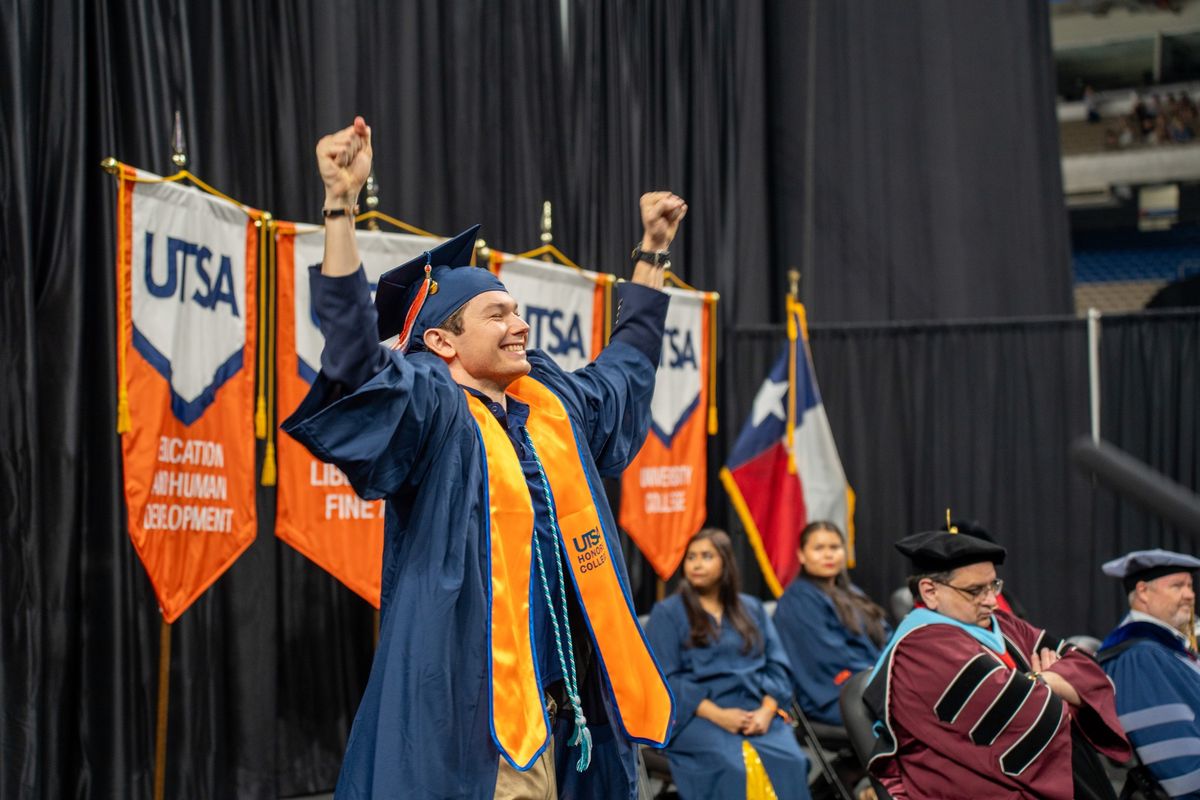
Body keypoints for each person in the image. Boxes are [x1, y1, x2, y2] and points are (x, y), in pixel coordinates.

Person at [283, 116, 687, 799]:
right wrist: (340, 206)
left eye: (517, 310)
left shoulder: (550, 403)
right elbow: (353, 356)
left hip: (572, 712)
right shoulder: (430, 409)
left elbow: (625, 370)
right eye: (497, 315)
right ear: (442, 342)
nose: (520, 324)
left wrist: (650, 256)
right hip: (481, 720)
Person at [861, 530, 1130, 799]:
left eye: (993, 586)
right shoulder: (921, 647)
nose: (991, 600)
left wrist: (1038, 682)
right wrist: (1055, 687)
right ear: (930, 591)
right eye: (975, 591)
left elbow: (1088, 668)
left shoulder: (1002, 624)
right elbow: (1025, 714)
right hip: (971, 785)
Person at [645, 529, 810, 800]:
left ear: (725, 562)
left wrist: (767, 711)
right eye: (691, 557)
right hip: (697, 716)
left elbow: (778, 666)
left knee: (792, 761)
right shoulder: (668, 613)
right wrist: (719, 715)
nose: (696, 564)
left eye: (707, 556)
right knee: (734, 767)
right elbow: (665, 677)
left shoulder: (751, 608)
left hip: (755, 710)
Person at [1098, 549, 1200, 797]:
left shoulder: (1169, 650)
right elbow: (1176, 760)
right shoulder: (1138, 657)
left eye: (1190, 585)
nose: (1190, 595)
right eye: (1177, 586)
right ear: (1143, 591)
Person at [774, 520, 890, 727]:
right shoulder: (798, 600)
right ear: (801, 555)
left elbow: (886, 636)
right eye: (819, 548)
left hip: (873, 681)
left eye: (834, 547)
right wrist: (883, 675)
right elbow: (828, 659)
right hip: (834, 694)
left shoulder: (852, 593)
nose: (828, 555)